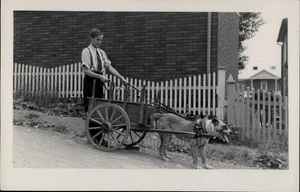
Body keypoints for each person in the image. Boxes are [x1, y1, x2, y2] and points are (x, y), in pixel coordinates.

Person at [81, 28, 128, 113]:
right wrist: (100, 76)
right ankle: (90, 124)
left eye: (101, 40)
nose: (99, 42)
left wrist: (121, 78)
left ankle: (98, 125)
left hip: (99, 81)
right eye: (98, 40)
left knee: (99, 105)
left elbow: (109, 67)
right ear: (91, 38)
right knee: (91, 105)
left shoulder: (102, 52)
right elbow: (86, 71)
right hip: (90, 81)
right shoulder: (86, 51)